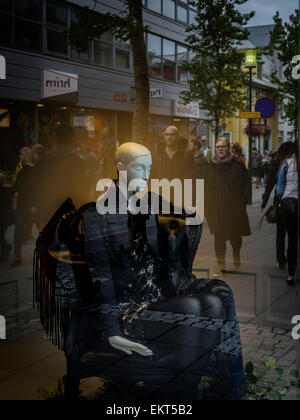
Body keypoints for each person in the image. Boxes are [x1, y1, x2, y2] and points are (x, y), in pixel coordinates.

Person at [35, 142, 246, 400]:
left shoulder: (148, 202)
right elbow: (101, 278)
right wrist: (112, 332)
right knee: (191, 307)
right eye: (139, 168)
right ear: (121, 167)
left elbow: (186, 215)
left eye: (150, 168)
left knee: (215, 299)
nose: (146, 175)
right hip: (127, 310)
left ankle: (212, 389)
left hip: (156, 298)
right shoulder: (97, 215)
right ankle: (181, 394)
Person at [205, 138, 251, 277]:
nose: (220, 149)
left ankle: (236, 252)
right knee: (218, 237)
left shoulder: (238, 166)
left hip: (234, 209)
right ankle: (221, 265)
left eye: (223, 146)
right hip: (217, 209)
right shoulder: (210, 167)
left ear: (228, 148)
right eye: (218, 147)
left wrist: (243, 202)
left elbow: (246, 184)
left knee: (235, 237)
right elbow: (205, 186)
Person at [31, 126, 90, 228]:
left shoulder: (44, 160)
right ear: (72, 139)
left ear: (54, 138)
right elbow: (84, 188)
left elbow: (36, 185)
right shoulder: (79, 162)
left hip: (48, 212)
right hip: (71, 212)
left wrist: (36, 206)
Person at [261, 142, 295, 269]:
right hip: (292, 201)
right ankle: (291, 258)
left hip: (280, 202)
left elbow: (270, 183)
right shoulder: (294, 163)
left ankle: (281, 260)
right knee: (292, 233)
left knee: (280, 233)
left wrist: (264, 202)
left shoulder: (276, 163)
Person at [275, 143, 299, 286]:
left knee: (288, 238)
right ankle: (292, 271)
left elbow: (280, 187)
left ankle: (290, 275)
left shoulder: (287, 163)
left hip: (288, 204)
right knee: (294, 239)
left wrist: (279, 198)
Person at [11, 147, 35, 267]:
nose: (19, 157)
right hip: (31, 205)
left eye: (21, 155)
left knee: (18, 231)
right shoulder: (33, 170)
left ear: (25, 156)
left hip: (24, 204)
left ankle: (18, 257)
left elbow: (17, 187)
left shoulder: (23, 170)